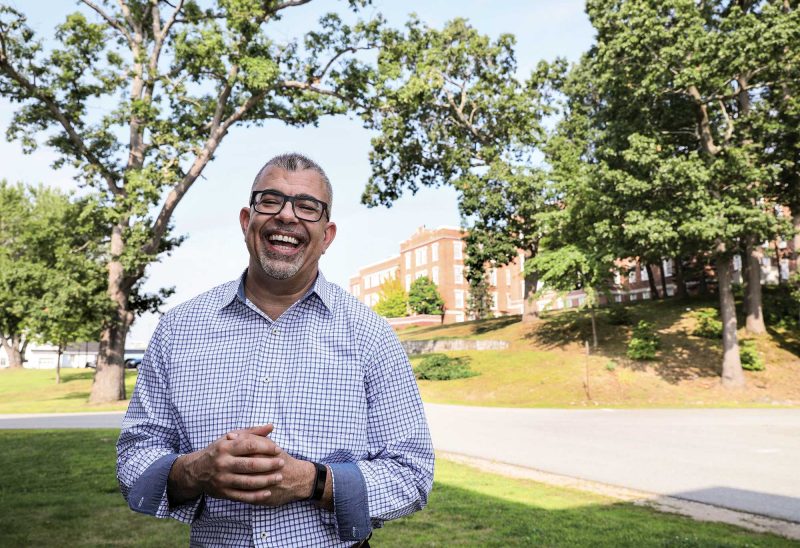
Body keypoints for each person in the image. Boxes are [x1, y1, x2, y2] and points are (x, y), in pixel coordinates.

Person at [117, 153, 434, 547]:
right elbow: (134, 457)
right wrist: (196, 470)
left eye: (307, 207)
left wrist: (312, 481)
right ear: (247, 221)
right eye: (270, 201)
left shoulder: (371, 335)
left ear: (327, 235)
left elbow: (413, 474)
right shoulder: (178, 329)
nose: (287, 216)